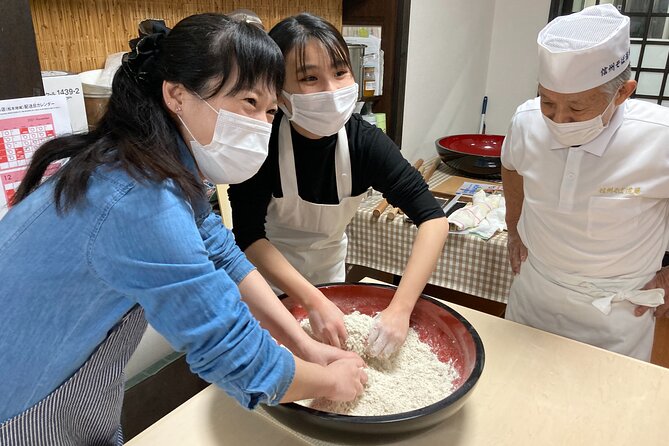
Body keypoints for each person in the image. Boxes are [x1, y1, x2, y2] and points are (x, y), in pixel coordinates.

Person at [0, 14, 368, 443]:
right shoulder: (138, 201)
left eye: (270, 111)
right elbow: (237, 356)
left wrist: (302, 345)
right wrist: (331, 383)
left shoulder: (152, 162)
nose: (260, 125)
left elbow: (221, 250)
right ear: (176, 95)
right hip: (20, 408)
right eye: (248, 103)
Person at [228, 13, 449, 359]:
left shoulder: (365, 144)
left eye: (340, 72)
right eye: (310, 78)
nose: (331, 90)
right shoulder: (263, 143)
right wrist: (309, 299)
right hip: (267, 289)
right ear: (280, 93)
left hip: (332, 280)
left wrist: (400, 308)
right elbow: (248, 236)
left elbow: (434, 220)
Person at [501, 4, 669, 361]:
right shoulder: (527, 121)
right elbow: (511, 166)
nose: (559, 120)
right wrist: (513, 226)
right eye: (548, 102)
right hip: (536, 294)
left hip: (616, 314)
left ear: (622, 93)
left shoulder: (660, 137)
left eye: (577, 108)